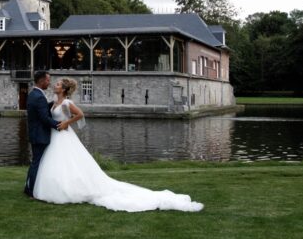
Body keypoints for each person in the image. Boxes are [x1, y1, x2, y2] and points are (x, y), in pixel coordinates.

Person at [33, 77, 204, 212]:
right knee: (61, 164)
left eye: (57, 84)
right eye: (55, 83)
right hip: (55, 136)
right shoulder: (55, 102)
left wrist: (66, 123)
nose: (54, 85)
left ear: (63, 89)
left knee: (67, 162)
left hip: (63, 135)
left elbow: (80, 115)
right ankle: (61, 187)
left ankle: (70, 190)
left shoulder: (66, 103)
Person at [24, 71, 67, 197]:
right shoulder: (39, 96)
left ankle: (29, 187)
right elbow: (43, 118)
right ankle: (31, 190)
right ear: (42, 81)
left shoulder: (33, 94)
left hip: (35, 134)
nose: (49, 83)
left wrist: (52, 104)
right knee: (37, 163)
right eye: (48, 80)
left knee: (35, 162)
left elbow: (40, 109)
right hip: (40, 135)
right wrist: (59, 125)